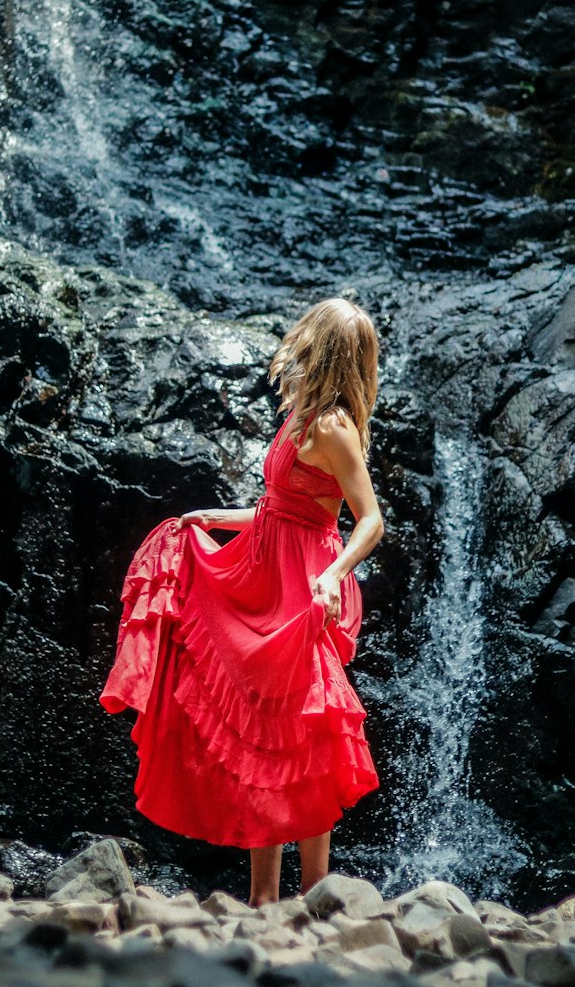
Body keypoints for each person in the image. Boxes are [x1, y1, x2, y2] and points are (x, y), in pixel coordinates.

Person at [99, 296, 386, 906]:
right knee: (267, 734)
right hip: (265, 576)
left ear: (321, 348)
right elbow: (279, 510)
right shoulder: (301, 416)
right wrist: (219, 518)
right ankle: (262, 898)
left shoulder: (333, 427)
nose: (295, 340)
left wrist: (335, 574)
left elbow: (370, 522)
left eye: (307, 335)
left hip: (305, 585)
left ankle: (315, 896)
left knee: (306, 733)